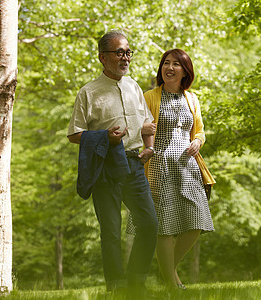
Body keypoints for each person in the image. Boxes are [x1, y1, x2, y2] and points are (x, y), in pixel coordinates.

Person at [67, 30, 158, 296]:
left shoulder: (134, 86)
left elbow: (147, 122)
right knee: (111, 231)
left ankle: (135, 282)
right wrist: (104, 138)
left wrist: (150, 146)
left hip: (133, 163)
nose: (125, 57)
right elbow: (74, 134)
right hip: (105, 165)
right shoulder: (88, 92)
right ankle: (117, 288)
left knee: (149, 223)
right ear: (102, 58)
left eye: (128, 52)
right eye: (119, 52)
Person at [127, 49, 214, 289]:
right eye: (166, 63)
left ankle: (167, 272)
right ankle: (173, 285)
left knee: (198, 220)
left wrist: (198, 141)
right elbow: (137, 125)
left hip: (188, 167)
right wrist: (144, 132)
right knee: (164, 226)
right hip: (159, 165)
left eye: (176, 64)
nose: (170, 67)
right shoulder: (150, 96)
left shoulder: (191, 98)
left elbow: (199, 131)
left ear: (185, 70)